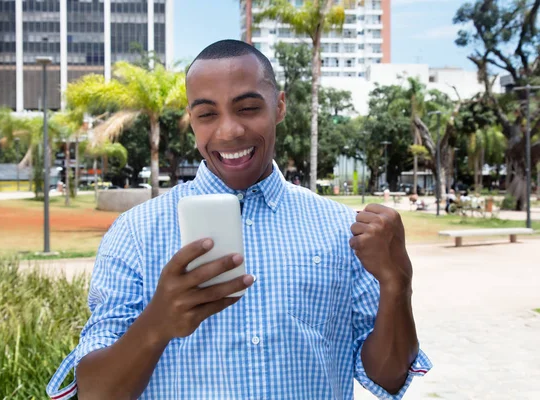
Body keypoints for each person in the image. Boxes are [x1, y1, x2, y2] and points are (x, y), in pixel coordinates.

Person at [47, 40, 431, 400]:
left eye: (248, 108)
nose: (229, 131)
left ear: (279, 106)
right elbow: (95, 391)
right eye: (207, 114)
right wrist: (157, 324)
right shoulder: (135, 233)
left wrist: (398, 281)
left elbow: (388, 377)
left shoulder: (341, 228)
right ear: (191, 120)